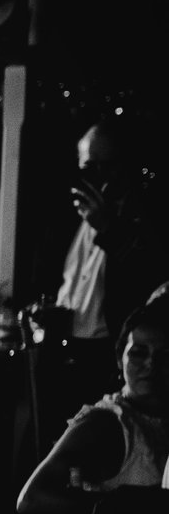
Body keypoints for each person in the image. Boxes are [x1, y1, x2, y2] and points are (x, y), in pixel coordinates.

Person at [36, 122, 166, 439]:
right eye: (88, 167)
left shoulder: (147, 215)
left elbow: (151, 275)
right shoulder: (65, 215)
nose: (97, 176)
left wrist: (109, 228)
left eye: (106, 167)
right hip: (62, 349)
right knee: (53, 439)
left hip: (110, 357)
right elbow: (51, 276)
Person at [18, 300, 166, 514]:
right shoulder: (107, 422)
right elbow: (32, 498)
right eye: (138, 353)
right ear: (119, 358)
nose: (151, 364)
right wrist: (133, 510)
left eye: (165, 355)